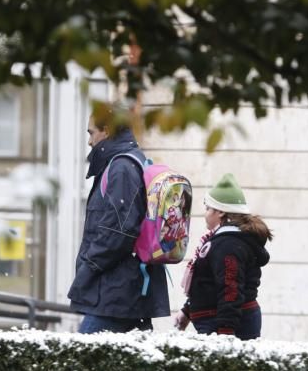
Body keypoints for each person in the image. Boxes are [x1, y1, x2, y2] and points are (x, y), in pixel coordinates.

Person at [68, 106, 169, 333]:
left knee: (81, 365)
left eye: (91, 132)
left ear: (106, 131)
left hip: (116, 296)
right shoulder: (128, 163)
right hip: (126, 293)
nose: (89, 142)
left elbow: (118, 232)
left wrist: (88, 269)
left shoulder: (121, 168)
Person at [176, 173, 272, 340]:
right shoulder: (223, 241)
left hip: (225, 324)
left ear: (220, 212)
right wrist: (187, 311)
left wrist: (226, 333)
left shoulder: (228, 245)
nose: (205, 213)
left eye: (207, 208)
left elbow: (230, 289)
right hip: (218, 321)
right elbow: (207, 284)